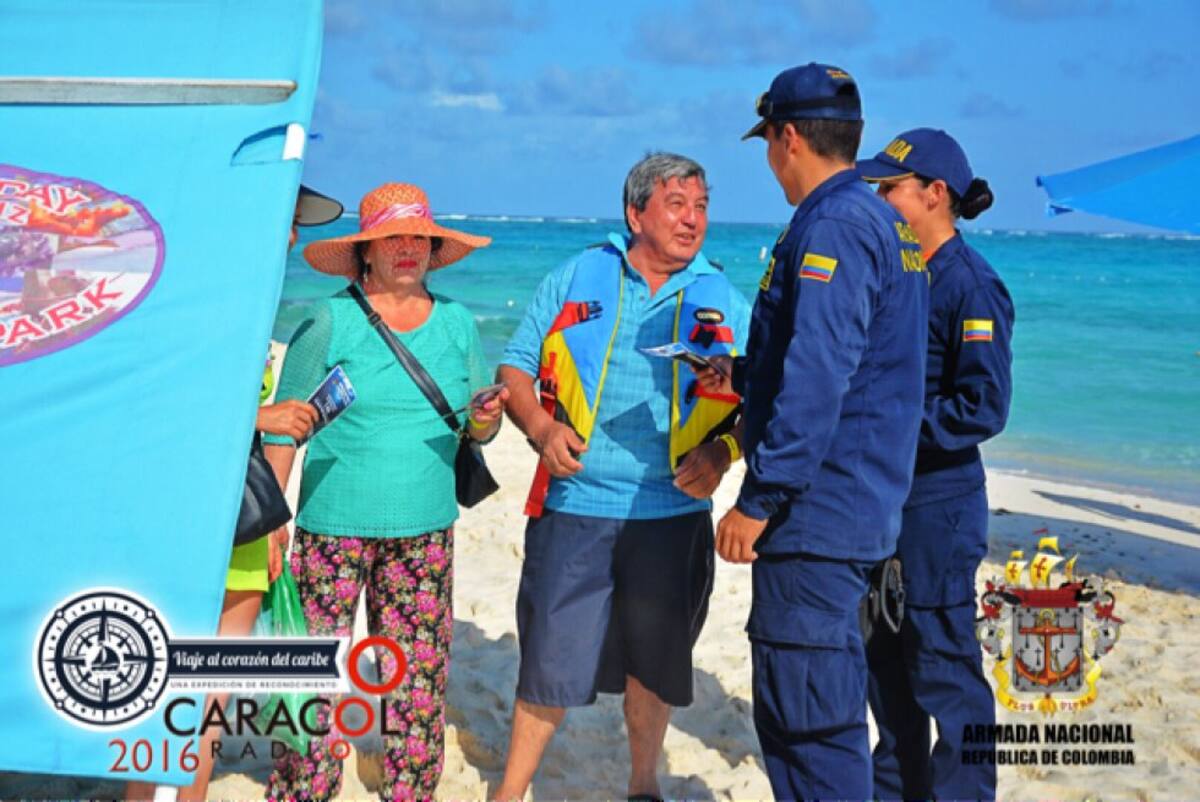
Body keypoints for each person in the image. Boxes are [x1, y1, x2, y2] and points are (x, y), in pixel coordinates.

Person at [493, 152, 750, 801]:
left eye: (701, 205)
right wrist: (542, 431)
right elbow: (516, 368)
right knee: (551, 656)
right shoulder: (580, 274)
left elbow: (765, 399)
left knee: (655, 667)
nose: (693, 220)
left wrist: (721, 455)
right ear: (636, 213)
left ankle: (642, 784)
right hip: (578, 501)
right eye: (676, 204)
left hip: (672, 513)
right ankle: (510, 790)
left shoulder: (721, 295)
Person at [705, 63, 930, 800]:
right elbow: (854, 362)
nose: (770, 160)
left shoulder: (833, 222)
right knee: (819, 710)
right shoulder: (885, 223)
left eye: (769, 139)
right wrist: (740, 376)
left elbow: (819, 375)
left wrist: (759, 499)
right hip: (858, 509)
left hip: (816, 518)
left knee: (810, 726)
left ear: (788, 136)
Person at [261, 183, 505, 801]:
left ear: (432, 248)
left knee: (418, 684)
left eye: (418, 237)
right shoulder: (327, 320)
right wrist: (269, 519)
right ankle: (303, 792)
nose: (407, 249)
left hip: (423, 532)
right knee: (310, 681)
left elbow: (481, 426)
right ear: (365, 251)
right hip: (331, 528)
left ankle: (410, 792)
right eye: (392, 238)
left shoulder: (454, 323)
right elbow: (288, 429)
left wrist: (486, 416)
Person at [125, 184, 341, 802]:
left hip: (243, 519)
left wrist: (274, 512)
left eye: (297, 224)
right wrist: (263, 417)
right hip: (183, 518)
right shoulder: (193, 295)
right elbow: (160, 407)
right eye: (285, 218)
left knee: (210, 699)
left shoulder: (253, 304)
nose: (293, 235)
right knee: (167, 693)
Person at [857, 128, 1013, 800]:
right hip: (882, 506)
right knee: (887, 676)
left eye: (890, 188)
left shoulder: (970, 285)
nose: (881, 200)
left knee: (947, 676)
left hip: (938, 510)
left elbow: (983, 407)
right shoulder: (902, 275)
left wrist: (890, 432)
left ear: (934, 195)